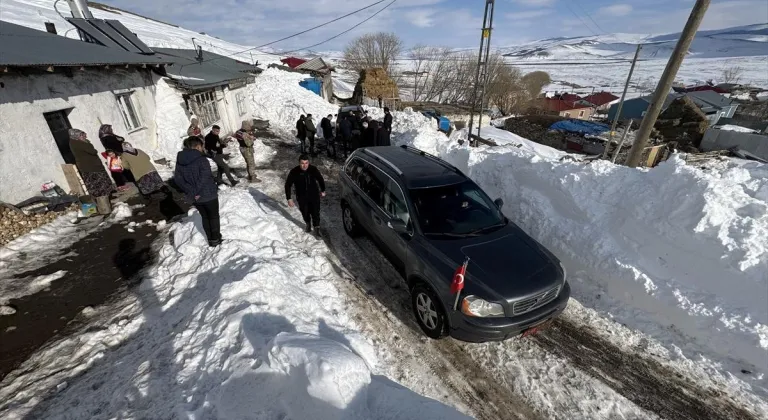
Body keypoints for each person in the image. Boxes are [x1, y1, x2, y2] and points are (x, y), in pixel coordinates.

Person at [174, 136, 222, 247]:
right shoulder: (201, 159)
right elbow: (204, 177)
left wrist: (191, 191)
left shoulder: (180, 160)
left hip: (195, 197)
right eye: (202, 146)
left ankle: (210, 238)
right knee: (213, 217)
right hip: (208, 194)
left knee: (205, 217)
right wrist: (196, 191)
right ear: (197, 146)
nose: (203, 148)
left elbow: (178, 179)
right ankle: (216, 239)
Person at [285, 154, 326, 235]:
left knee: (315, 212)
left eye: (306, 163)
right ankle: (308, 223)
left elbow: (320, 179)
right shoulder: (294, 171)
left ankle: (317, 229)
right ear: (299, 163)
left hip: (314, 195)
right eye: (302, 163)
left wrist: (323, 190)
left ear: (309, 162)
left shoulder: (313, 169)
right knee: (305, 212)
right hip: (301, 196)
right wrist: (289, 198)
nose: (304, 165)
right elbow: (288, 185)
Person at [68, 128, 115, 199]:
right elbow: (93, 151)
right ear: (76, 136)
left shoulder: (73, 142)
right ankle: (105, 197)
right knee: (100, 182)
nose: (83, 136)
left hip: (87, 167)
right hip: (91, 166)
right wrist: (88, 143)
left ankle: (101, 197)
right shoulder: (79, 143)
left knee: (94, 183)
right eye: (81, 135)